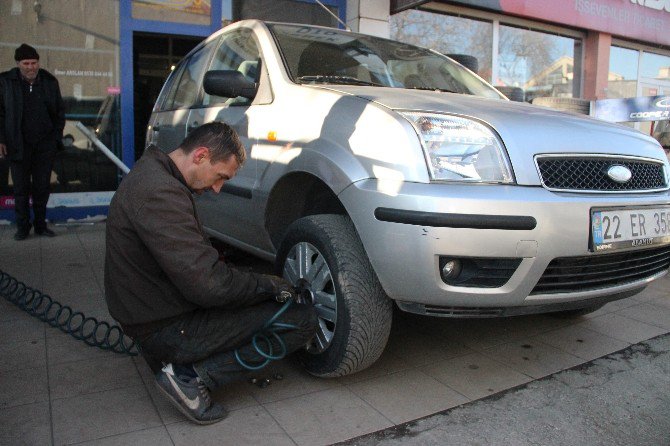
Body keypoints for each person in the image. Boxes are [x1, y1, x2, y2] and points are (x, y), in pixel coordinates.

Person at [104, 122, 317, 425]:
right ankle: (189, 377)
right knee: (300, 319)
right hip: (165, 327)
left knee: (247, 293)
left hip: (152, 314)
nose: (218, 189)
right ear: (201, 155)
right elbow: (210, 286)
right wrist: (266, 286)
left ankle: (179, 362)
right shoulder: (160, 192)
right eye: (220, 177)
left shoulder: (153, 174)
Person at [0, 44, 65, 240]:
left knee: (41, 187)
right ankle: (22, 227)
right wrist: (1, 139)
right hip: (17, 145)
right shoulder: (5, 82)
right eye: (26, 63)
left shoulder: (49, 81)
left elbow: (59, 113)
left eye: (34, 62)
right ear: (18, 64)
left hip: (44, 146)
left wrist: (54, 139)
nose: (31, 67)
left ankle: (40, 225)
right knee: (20, 190)